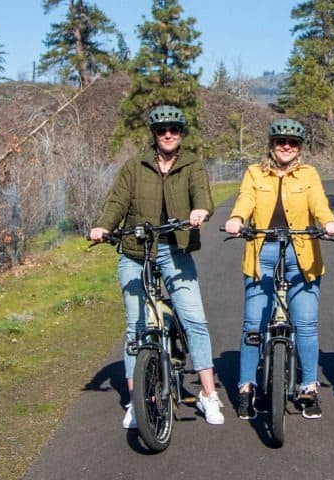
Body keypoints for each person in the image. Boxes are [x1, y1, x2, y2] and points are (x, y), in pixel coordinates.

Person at [89, 104, 224, 428]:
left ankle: (208, 394)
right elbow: (117, 202)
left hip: (175, 249)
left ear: (180, 133)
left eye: (174, 130)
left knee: (194, 319)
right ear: (154, 134)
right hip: (137, 251)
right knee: (136, 327)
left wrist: (200, 212)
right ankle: (138, 402)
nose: (168, 135)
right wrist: (103, 226)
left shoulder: (191, 163)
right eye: (162, 130)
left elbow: (203, 197)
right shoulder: (135, 166)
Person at [224, 118, 334, 420]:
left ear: (300, 147)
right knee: (253, 325)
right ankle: (246, 387)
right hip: (262, 253)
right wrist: (237, 218)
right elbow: (246, 199)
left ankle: (308, 387)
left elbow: (318, 202)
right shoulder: (254, 172)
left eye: (293, 142)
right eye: (280, 142)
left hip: (302, 253)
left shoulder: (308, 174)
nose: (286, 147)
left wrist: (327, 221)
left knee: (305, 324)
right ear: (272, 145)